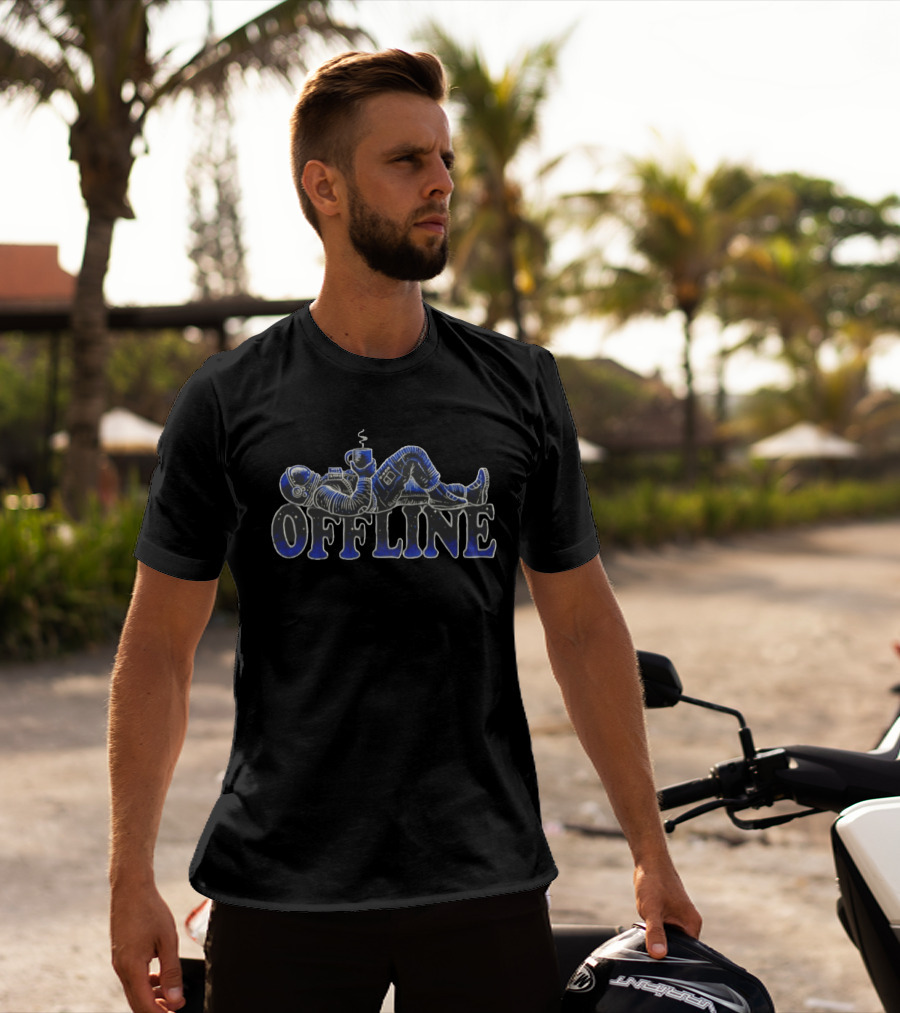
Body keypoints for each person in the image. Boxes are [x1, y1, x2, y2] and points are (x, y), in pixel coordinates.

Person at [108, 48, 701, 1013]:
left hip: (484, 877)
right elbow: (156, 653)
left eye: (446, 157)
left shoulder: (520, 385)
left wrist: (650, 847)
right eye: (408, 161)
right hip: (280, 881)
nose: (442, 183)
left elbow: (585, 629)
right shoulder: (228, 402)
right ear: (325, 187)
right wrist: (129, 874)